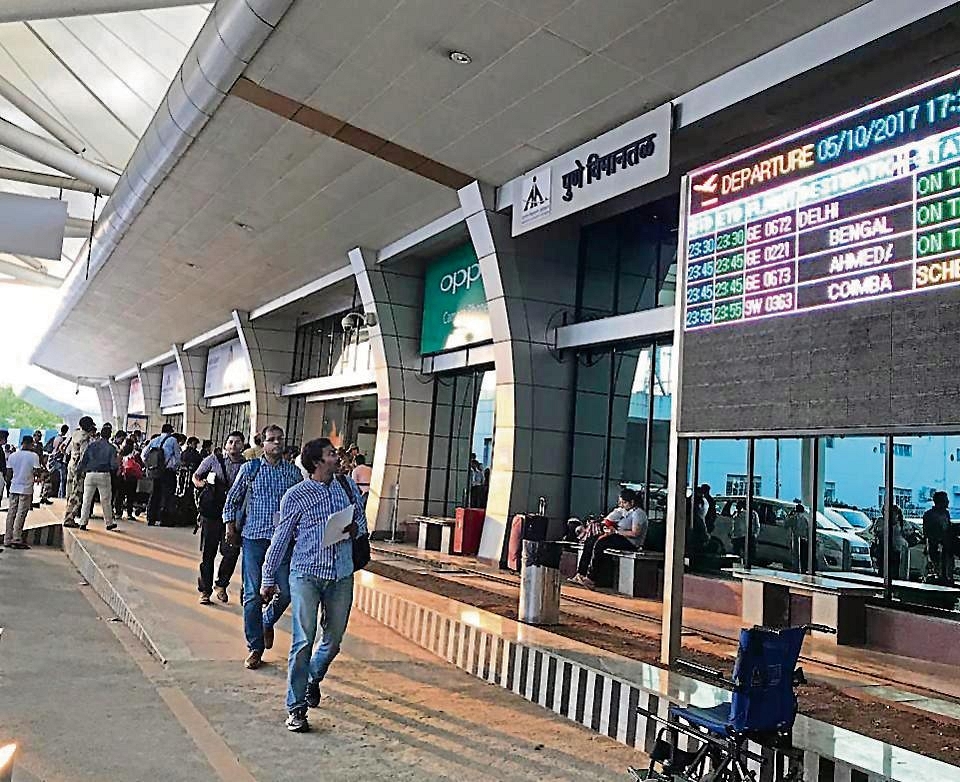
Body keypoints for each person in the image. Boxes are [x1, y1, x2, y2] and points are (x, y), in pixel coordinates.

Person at [261, 437, 367, 733]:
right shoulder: (296, 495)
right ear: (318, 462)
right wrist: (268, 577)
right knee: (303, 640)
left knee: (333, 640)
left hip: (341, 574)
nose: (339, 458)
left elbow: (362, 522)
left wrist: (355, 528)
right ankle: (296, 708)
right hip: (306, 574)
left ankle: (312, 679)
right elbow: (281, 538)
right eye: (332, 454)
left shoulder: (346, 488)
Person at [222, 424, 302, 670]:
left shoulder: (293, 474)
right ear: (261, 443)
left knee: (287, 591)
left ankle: (268, 620)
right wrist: (229, 526)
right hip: (254, 538)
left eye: (280, 439)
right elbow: (233, 499)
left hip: (283, 540)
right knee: (252, 594)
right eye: (271, 439)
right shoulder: (250, 469)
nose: (276, 443)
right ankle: (255, 647)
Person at [193, 430, 247, 605]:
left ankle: (221, 585)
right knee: (207, 554)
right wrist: (204, 486)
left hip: (233, 517)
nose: (233, 445)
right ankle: (205, 590)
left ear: (243, 446)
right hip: (212, 513)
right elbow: (196, 476)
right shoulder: (213, 460)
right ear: (225, 444)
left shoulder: (246, 466)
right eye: (230, 442)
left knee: (231, 552)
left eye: (237, 442)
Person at [569, 488, 649, 588]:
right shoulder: (624, 511)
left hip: (630, 542)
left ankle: (591, 577)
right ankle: (581, 573)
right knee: (590, 540)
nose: (621, 505)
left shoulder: (638, 513)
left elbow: (635, 533)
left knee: (600, 544)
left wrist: (616, 532)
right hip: (618, 536)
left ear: (632, 502)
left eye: (624, 503)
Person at [78, 428, 119, 531]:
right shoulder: (111, 448)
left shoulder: (91, 445)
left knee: (86, 499)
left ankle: (83, 522)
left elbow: (84, 460)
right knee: (105, 500)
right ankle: (109, 523)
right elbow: (113, 465)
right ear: (110, 435)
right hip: (104, 475)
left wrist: (80, 471)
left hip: (90, 474)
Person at [141, 423, 181, 526]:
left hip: (155, 471)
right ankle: (164, 519)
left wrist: (149, 465)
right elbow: (177, 458)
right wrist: (175, 467)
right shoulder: (173, 440)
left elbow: (143, 455)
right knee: (167, 496)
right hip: (167, 472)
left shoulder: (154, 440)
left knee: (154, 494)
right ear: (170, 431)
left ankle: (151, 518)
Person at [4, 435, 40, 550]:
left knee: (11, 513)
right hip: (26, 488)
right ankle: (17, 538)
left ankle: (7, 538)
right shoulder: (33, 456)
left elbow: (8, 474)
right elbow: (37, 472)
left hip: (14, 488)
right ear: (31, 444)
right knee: (21, 513)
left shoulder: (13, 456)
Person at [63, 417, 96, 528]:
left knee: (69, 491)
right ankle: (69, 518)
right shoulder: (85, 437)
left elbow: (65, 450)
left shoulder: (75, 434)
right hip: (78, 468)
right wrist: (81, 469)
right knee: (76, 494)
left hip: (71, 465)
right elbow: (84, 456)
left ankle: (68, 514)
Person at [923, 491, 953, 584]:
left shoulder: (945, 513)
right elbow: (927, 532)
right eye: (946, 500)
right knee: (938, 567)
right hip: (935, 545)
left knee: (947, 567)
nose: (948, 502)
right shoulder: (930, 515)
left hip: (946, 545)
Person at [873, 504, 909, 580]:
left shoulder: (903, 524)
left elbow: (908, 535)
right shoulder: (881, 522)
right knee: (883, 571)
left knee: (896, 572)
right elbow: (877, 533)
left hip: (897, 551)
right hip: (884, 550)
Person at [114, 439, 142, 520]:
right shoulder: (135, 455)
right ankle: (129, 513)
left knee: (119, 495)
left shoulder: (120, 454)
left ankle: (118, 512)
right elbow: (140, 464)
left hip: (122, 477)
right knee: (131, 496)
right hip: (132, 477)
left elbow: (117, 464)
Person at [786, 502, 810, 572]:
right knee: (797, 555)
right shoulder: (795, 519)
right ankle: (798, 568)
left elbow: (807, 530)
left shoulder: (803, 519)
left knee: (800, 555)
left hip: (801, 539)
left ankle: (801, 569)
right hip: (797, 538)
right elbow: (786, 524)